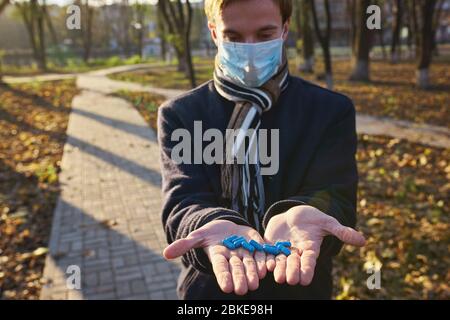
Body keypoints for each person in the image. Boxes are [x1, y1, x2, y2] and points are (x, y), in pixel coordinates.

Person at [158, 0, 366, 300]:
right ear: (214, 33)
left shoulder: (329, 111)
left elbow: (336, 196)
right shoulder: (182, 114)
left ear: (284, 29)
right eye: (234, 37)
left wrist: (308, 213)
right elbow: (183, 201)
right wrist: (207, 223)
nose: (250, 48)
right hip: (212, 290)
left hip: (301, 287)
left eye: (265, 33)